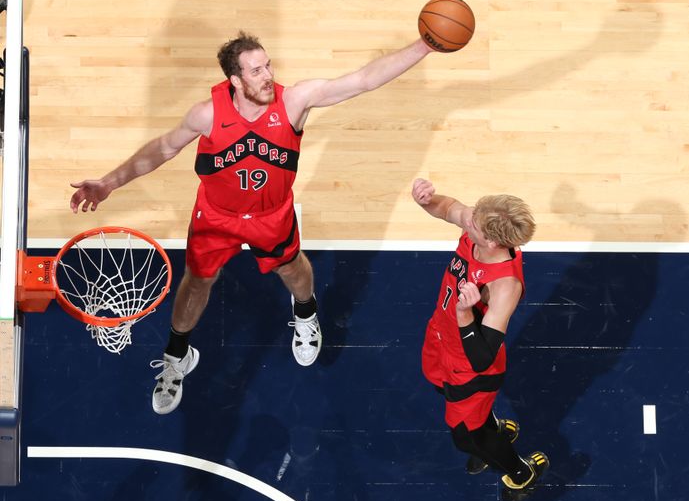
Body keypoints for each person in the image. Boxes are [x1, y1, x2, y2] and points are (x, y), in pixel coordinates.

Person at [70, 31, 438, 415]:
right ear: (235, 80)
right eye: (256, 70)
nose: (267, 76)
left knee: (293, 269)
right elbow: (162, 149)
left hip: (271, 214)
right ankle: (177, 355)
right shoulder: (207, 114)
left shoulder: (293, 101)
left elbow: (364, 80)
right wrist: (109, 183)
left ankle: (306, 313)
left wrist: (424, 46)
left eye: (268, 66)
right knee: (196, 282)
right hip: (216, 217)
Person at [411, 178, 549, 501]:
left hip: (470, 365)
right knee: (437, 385)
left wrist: (464, 315)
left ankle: (520, 473)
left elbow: (482, 357)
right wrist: (424, 200)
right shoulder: (478, 226)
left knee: (466, 439)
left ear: (489, 240)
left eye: (472, 220)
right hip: (440, 334)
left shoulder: (505, 285)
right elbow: (446, 207)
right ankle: (493, 426)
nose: (465, 215)